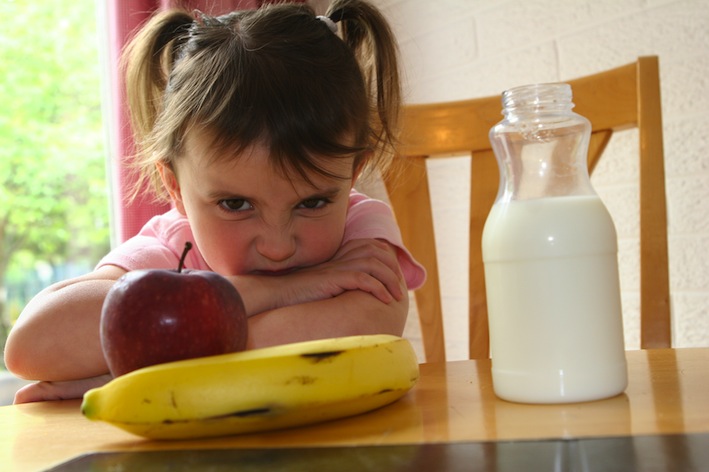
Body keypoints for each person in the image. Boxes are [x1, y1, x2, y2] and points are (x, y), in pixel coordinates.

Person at [4, 0, 425, 403]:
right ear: (175, 189)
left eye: (312, 203)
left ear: (352, 174)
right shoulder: (172, 248)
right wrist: (283, 291)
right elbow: (31, 346)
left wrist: (139, 362)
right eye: (237, 205)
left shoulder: (359, 229)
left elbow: (367, 328)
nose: (277, 247)